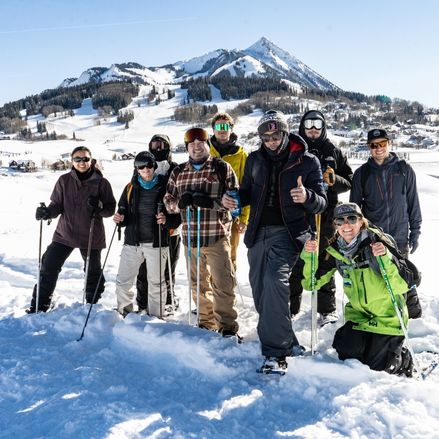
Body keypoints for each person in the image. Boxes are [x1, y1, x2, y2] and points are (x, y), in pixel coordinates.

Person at [223, 110, 327, 372]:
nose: (270, 141)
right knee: (260, 290)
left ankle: (275, 353)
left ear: (285, 132)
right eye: (265, 136)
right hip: (258, 232)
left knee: (274, 281)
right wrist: (232, 198)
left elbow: (322, 202)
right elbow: (246, 192)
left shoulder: (307, 161)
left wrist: (307, 197)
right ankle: (287, 340)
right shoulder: (255, 159)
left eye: (275, 135)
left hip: (288, 232)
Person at [301, 202, 413, 376]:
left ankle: (403, 360)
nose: (346, 225)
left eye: (352, 219)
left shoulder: (378, 243)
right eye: (340, 221)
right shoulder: (335, 251)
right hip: (360, 317)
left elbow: (403, 285)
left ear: (361, 221)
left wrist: (385, 258)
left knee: (379, 368)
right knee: (347, 355)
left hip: (388, 319)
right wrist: (309, 256)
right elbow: (311, 284)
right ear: (335, 225)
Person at [164, 127, 239, 337]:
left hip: (216, 236)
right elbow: (168, 201)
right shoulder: (178, 172)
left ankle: (227, 326)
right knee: (198, 284)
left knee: (222, 283)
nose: (196, 148)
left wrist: (211, 203)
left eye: (201, 144)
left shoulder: (221, 168)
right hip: (191, 238)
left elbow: (234, 202)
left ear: (208, 145)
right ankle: (206, 322)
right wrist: (179, 204)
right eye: (192, 145)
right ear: (187, 148)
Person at [27, 146, 116, 313]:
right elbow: (56, 205)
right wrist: (47, 213)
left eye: (85, 159)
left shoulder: (102, 183)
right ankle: (40, 305)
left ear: (91, 160)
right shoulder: (64, 180)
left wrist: (100, 206)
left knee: (92, 272)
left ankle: (91, 305)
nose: (82, 163)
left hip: (91, 235)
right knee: (48, 266)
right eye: (78, 159)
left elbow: (110, 209)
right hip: (65, 234)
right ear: (72, 161)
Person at [290, 110, 353, 326]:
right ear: (302, 126)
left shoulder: (332, 150)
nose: (313, 128)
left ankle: (327, 309)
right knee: (298, 258)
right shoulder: (295, 149)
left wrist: (335, 180)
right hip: (300, 213)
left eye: (318, 124)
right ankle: (291, 306)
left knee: (325, 259)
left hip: (326, 216)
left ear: (324, 126)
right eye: (309, 124)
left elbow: (350, 181)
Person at [350, 128, 422, 318]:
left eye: (382, 144)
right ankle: (387, 319)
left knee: (404, 276)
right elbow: (354, 211)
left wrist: (415, 232)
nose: (378, 148)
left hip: (399, 235)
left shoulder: (404, 169)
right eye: (374, 145)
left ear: (389, 143)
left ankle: (414, 318)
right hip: (375, 238)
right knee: (380, 278)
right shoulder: (362, 174)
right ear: (369, 148)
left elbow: (413, 202)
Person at [113, 151, 180, 318]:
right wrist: (120, 219)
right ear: (136, 169)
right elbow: (123, 211)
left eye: (149, 165)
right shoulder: (130, 188)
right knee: (123, 282)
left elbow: (177, 217)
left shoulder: (166, 187)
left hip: (157, 243)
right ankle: (125, 314)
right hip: (132, 243)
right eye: (141, 167)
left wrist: (166, 220)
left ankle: (155, 317)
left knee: (157, 284)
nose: (146, 169)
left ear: (154, 166)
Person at [135, 134, 181, 314]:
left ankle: (168, 300)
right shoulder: (144, 167)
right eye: (155, 145)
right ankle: (143, 301)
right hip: (147, 228)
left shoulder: (176, 169)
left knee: (169, 266)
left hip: (171, 228)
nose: (159, 148)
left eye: (163, 145)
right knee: (144, 267)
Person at [208, 112, 249, 271]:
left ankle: (228, 292)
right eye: (218, 126)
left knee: (229, 255)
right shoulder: (206, 151)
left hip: (233, 213)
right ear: (213, 129)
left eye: (226, 126)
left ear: (231, 129)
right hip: (209, 212)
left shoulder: (241, 154)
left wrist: (244, 218)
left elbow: (247, 187)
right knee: (208, 255)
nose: (222, 130)